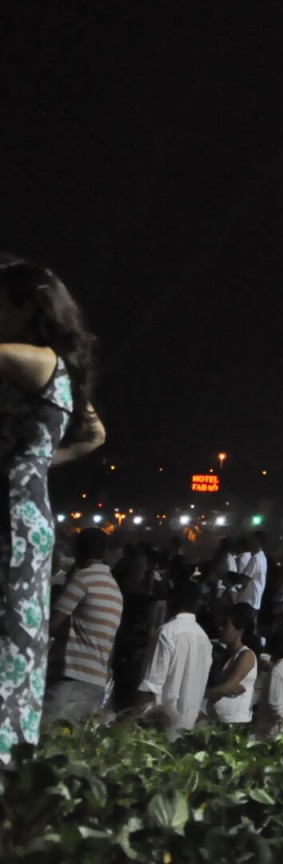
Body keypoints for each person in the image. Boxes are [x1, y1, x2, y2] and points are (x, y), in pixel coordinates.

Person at [0, 259, 104, 763]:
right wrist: (35, 465)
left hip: (12, 521)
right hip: (24, 508)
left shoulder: (36, 360)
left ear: (25, 306)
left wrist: (25, 467)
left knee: (8, 643)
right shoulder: (53, 367)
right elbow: (94, 435)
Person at [44, 526, 123, 728]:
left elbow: (52, 626)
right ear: (104, 553)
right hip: (95, 680)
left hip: (71, 679)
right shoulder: (114, 588)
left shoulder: (82, 580)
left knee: (47, 739)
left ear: (78, 550)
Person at [134, 582, 212, 735]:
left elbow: (151, 686)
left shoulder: (167, 632)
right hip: (187, 729)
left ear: (172, 599)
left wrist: (128, 720)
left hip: (158, 727)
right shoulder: (205, 639)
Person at [204, 604, 260, 727]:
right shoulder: (223, 654)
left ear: (239, 632)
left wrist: (199, 694)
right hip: (217, 720)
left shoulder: (246, 655)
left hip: (234, 722)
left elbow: (228, 687)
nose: (221, 629)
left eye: (225, 626)